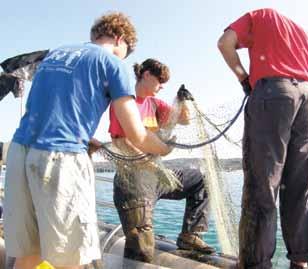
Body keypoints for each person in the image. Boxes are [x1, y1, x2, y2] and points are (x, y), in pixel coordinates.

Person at [3, 12, 172, 269]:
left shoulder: (56, 54)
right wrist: (164, 147)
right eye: (124, 52)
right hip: (60, 160)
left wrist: (86, 136)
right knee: (71, 259)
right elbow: (136, 134)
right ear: (119, 38)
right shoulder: (114, 64)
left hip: (19, 154)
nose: (123, 59)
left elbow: (55, 109)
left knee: (29, 253)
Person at [217, 8, 308, 269]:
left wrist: (244, 77)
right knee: (300, 186)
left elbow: (225, 43)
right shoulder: (303, 32)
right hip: (307, 99)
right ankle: (301, 261)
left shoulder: (260, 15)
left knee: (262, 184)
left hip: (274, 95)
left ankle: (254, 263)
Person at [109, 58, 215, 263]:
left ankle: (190, 236)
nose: (162, 86)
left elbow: (182, 120)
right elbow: (120, 142)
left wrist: (182, 101)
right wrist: (152, 166)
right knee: (142, 251)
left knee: (201, 179)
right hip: (133, 182)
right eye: (160, 80)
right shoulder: (124, 104)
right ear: (146, 74)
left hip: (158, 176)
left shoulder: (155, 104)